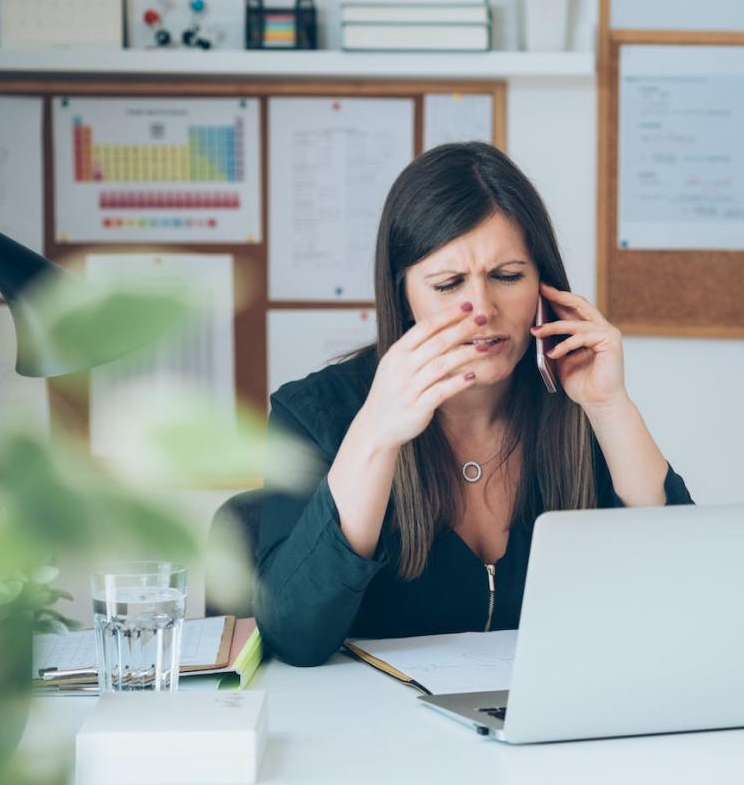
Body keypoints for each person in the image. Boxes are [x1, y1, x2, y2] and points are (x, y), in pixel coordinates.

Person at [254, 143, 693, 666]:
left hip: (547, 726)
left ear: (542, 286)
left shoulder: (575, 406)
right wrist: (375, 433)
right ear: (403, 295)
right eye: (448, 284)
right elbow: (294, 636)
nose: (482, 309)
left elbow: (681, 593)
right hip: (376, 734)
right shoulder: (315, 413)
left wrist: (610, 406)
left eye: (507, 277)